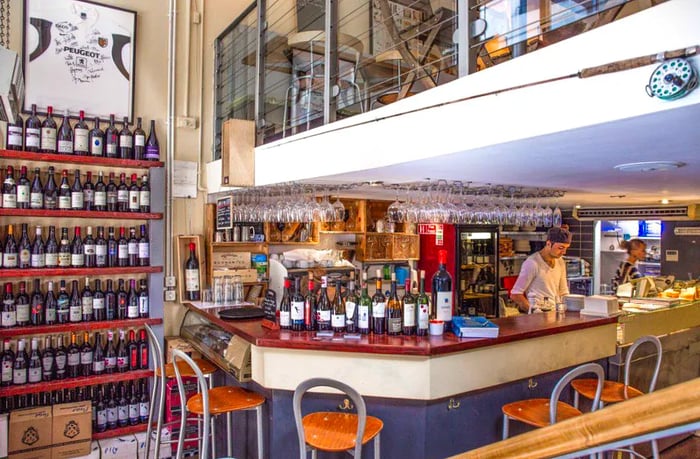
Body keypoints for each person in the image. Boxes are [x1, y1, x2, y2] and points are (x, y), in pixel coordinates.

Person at [510, 227, 572, 313]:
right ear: (549, 243)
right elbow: (515, 294)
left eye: (566, 248)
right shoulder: (532, 263)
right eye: (560, 248)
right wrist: (534, 311)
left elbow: (563, 291)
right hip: (538, 315)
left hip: (556, 313)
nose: (564, 252)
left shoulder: (560, 262)